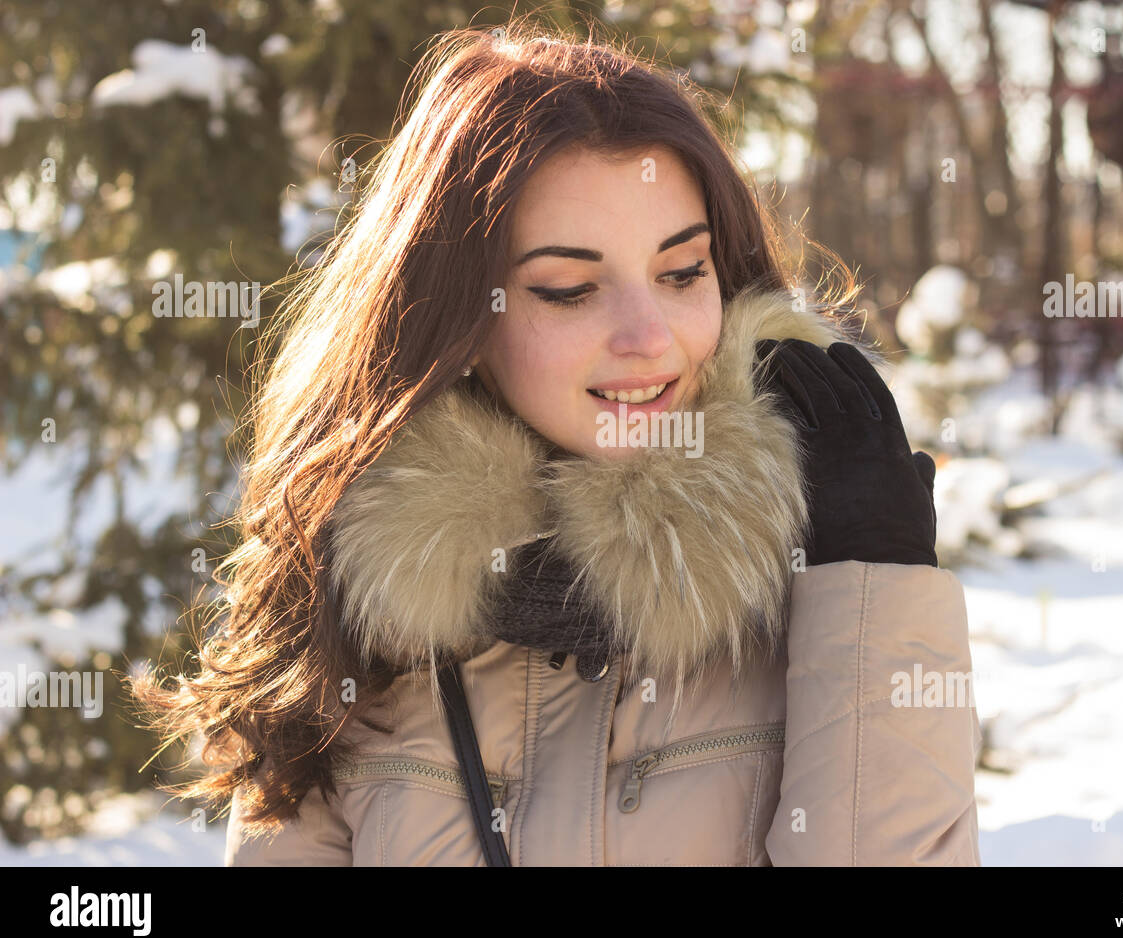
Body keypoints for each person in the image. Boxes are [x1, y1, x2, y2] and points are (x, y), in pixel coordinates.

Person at [131, 22, 982, 866]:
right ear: (457, 319)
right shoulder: (355, 610)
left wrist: (875, 588)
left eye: (683, 273)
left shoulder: (819, 584)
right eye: (571, 290)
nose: (649, 338)